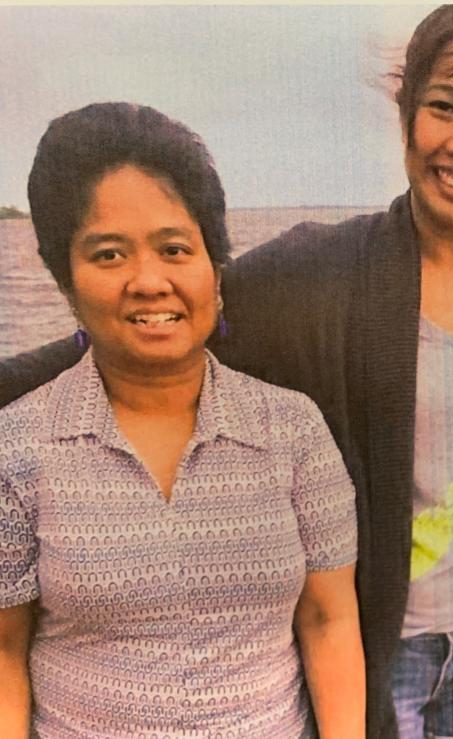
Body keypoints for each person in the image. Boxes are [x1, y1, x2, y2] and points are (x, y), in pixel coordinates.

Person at [0, 7, 453, 737]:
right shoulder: (316, 271)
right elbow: (166, 317)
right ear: (405, 114)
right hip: (381, 648)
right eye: (442, 108)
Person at [0, 103, 364, 737]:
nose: (149, 281)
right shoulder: (18, 445)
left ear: (215, 271)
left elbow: (329, 621)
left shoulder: (293, 430)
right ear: (67, 282)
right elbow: (3, 651)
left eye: (175, 248)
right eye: (109, 255)